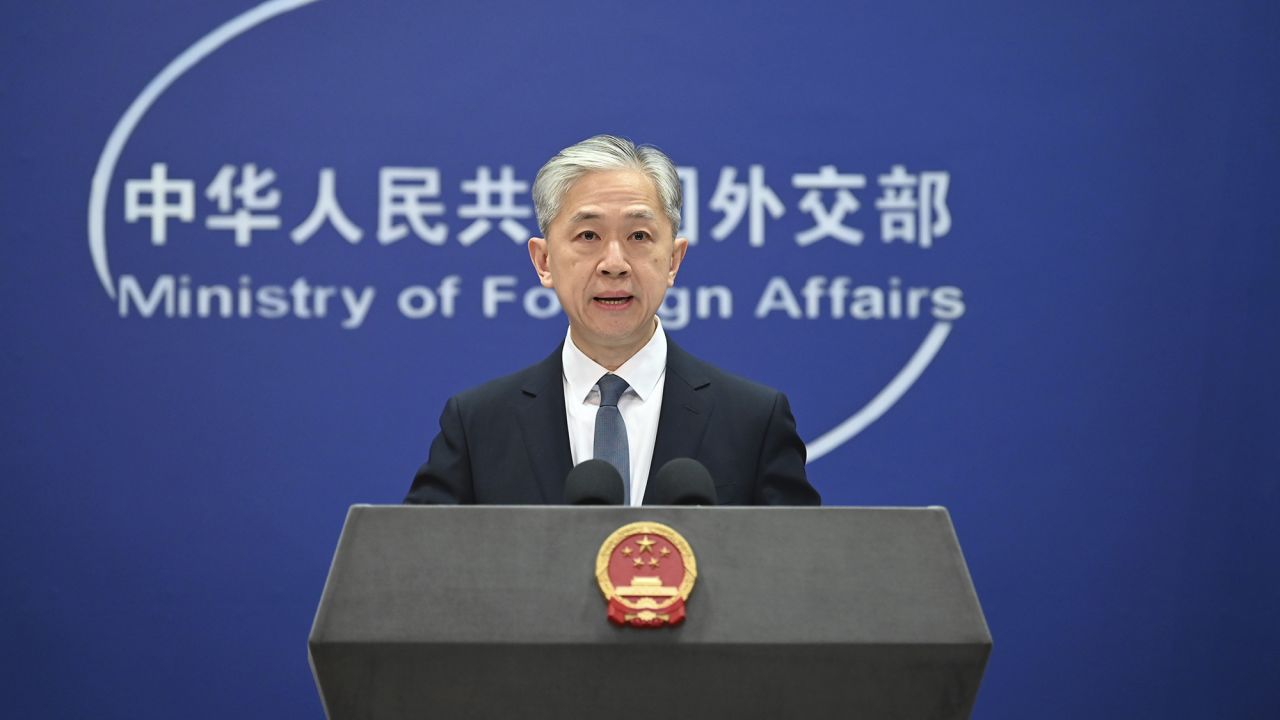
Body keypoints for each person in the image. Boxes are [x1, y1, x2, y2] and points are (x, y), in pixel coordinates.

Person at [404, 135, 820, 506]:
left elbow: (798, 576)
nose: (615, 264)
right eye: (588, 236)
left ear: (673, 260)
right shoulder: (479, 425)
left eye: (639, 236)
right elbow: (417, 573)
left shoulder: (752, 420)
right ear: (543, 261)